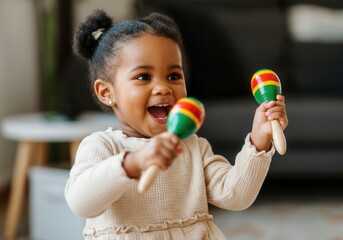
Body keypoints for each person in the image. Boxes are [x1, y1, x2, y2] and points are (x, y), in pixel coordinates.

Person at [65, 9, 288, 240]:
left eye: (174, 76)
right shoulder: (101, 146)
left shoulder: (194, 147)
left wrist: (259, 141)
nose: (163, 87)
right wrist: (132, 164)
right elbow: (81, 203)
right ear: (106, 92)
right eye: (143, 77)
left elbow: (237, 196)